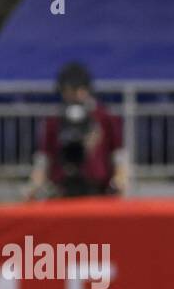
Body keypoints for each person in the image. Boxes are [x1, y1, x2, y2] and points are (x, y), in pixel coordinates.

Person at [27, 62, 128, 198]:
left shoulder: (103, 116)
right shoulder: (54, 119)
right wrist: (35, 184)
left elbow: (118, 153)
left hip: (97, 188)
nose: (73, 95)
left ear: (86, 89)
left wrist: (120, 179)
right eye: (67, 91)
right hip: (61, 188)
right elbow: (44, 156)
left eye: (76, 90)